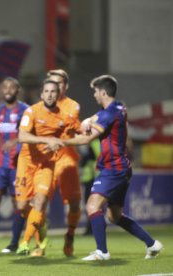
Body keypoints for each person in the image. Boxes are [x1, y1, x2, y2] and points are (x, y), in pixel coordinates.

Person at [58, 75, 163, 261]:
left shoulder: (108, 114)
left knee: (92, 205)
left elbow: (86, 139)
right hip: (122, 167)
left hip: (112, 167)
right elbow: (100, 116)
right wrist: (89, 120)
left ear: (103, 92)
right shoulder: (119, 107)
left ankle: (102, 252)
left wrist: (60, 142)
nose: (94, 95)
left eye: (96, 92)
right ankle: (152, 244)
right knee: (114, 216)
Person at [14, 79, 77, 257]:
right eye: (46, 91)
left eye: (53, 92)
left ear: (58, 95)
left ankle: (25, 243)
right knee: (22, 206)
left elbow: (78, 132)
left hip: (46, 165)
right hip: (26, 163)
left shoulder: (63, 116)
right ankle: (41, 234)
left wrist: (88, 127)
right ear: (42, 94)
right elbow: (22, 136)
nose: (49, 94)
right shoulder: (32, 111)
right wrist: (47, 140)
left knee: (40, 202)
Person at [0, 77, 28, 253]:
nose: (8, 90)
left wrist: (16, 140)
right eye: (5, 87)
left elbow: (30, 134)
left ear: (18, 90)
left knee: (18, 203)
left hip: (18, 165)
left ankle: (14, 242)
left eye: (11, 87)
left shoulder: (25, 111)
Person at [46, 69, 82, 256]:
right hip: (46, 160)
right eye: (52, 82)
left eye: (59, 83)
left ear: (65, 86)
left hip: (66, 157)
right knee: (39, 201)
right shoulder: (41, 105)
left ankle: (70, 235)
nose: (55, 86)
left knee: (75, 203)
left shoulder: (72, 106)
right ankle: (39, 242)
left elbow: (70, 125)